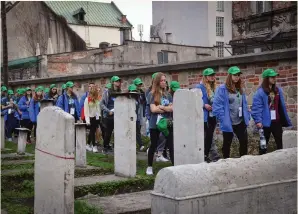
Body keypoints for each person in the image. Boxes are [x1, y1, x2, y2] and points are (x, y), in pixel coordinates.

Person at [251, 68, 292, 155]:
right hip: (265, 123)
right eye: (272, 77)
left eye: (275, 77)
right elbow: (256, 108)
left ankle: (280, 161)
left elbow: (281, 105)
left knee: (280, 144)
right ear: (266, 79)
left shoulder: (278, 90)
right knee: (263, 145)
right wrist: (258, 121)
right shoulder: (260, 92)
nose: (274, 78)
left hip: (277, 121)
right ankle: (261, 162)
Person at [212, 66, 250, 159]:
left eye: (238, 75)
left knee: (244, 141)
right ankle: (226, 161)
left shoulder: (240, 89)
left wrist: (247, 115)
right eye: (235, 75)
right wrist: (223, 119)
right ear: (230, 76)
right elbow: (217, 106)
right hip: (229, 122)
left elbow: (244, 104)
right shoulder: (222, 89)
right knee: (227, 144)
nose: (237, 77)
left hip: (240, 121)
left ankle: (243, 161)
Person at [146, 72, 174, 175]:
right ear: (157, 82)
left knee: (171, 144)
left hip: (168, 122)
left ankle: (174, 165)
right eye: (161, 80)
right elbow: (153, 109)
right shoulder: (151, 94)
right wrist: (165, 109)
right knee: (154, 144)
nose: (164, 82)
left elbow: (172, 108)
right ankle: (149, 166)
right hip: (155, 123)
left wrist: (162, 107)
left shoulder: (168, 94)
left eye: (164, 80)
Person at [196, 68, 219, 162]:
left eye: (213, 75)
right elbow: (195, 100)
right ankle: (204, 156)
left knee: (210, 136)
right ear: (205, 77)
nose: (212, 77)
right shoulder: (199, 87)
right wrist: (204, 105)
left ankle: (207, 155)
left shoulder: (215, 87)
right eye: (210, 75)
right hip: (204, 116)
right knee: (206, 137)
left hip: (213, 115)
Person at [100, 76, 121, 153]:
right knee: (108, 132)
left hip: (117, 115)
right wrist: (108, 111)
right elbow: (101, 104)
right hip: (109, 115)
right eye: (116, 81)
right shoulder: (107, 92)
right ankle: (105, 147)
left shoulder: (119, 92)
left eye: (119, 81)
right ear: (113, 82)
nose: (118, 82)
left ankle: (112, 146)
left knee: (117, 132)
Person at [84, 85, 101, 153]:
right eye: (94, 95)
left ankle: (88, 144)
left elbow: (98, 109)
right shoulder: (87, 100)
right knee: (92, 131)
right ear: (91, 94)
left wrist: (99, 117)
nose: (95, 96)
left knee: (92, 131)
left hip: (95, 118)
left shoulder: (97, 100)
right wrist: (87, 120)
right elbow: (86, 111)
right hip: (90, 118)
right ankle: (94, 146)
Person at [133, 78, 146, 151]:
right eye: (138, 84)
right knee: (137, 130)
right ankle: (140, 145)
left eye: (140, 84)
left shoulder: (142, 93)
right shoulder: (133, 93)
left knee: (138, 129)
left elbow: (144, 101)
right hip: (136, 115)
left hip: (141, 114)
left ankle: (137, 144)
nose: (140, 86)